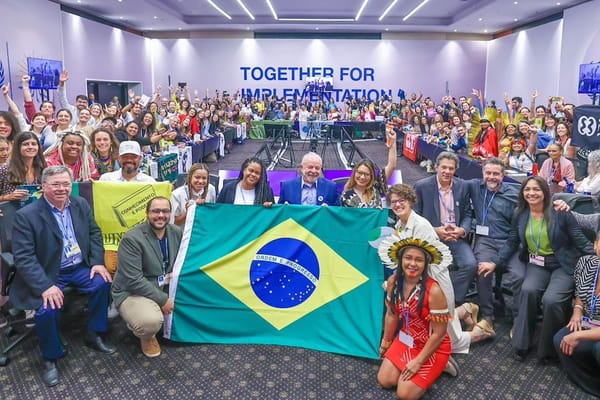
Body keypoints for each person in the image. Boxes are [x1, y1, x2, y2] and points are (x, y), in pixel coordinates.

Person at [11, 166, 115, 387]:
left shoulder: (80, 204)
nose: (61, 189)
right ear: (43, 187)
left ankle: (94, 333)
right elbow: (24, 258)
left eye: (66, 184)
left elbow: (95, 233)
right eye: (55, 184)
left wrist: (97, 262)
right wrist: (45, 286)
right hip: (49, 272)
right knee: (46, 309)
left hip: (78, 267)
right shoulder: (26, 216)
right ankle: (51, 357)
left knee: (102, 282)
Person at [480, 176, 594, 361]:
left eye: (536, 189)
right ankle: (521, 344)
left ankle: (548, 349)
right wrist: (494, 262)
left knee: (551, 300)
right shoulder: (520, 213)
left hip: (562, 265)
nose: (531, 193)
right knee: (528, 290)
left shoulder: (560, 212)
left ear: (545, 192)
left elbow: (579, 239)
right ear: (522, 193)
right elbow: (512, 242)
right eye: (527, 189)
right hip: (536, 264)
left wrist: (596, 257)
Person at [376, 231, 452, 400]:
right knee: (385, 380)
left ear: (426, 264)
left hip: (433, 345)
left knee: (405, 394)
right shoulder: (393, 282)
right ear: (400, 260)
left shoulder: (434, 291)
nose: (412, 264)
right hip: (406, 339)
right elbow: (391, 314)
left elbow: (439, 334)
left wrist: (417, 362)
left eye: (419, 260)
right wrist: (386, 342)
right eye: (408, 258)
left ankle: (443, 363)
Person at [111, 197, 182, 358]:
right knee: (149, 322)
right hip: (132, 290)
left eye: (165, 211)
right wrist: (163, 300)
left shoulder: (175, 232)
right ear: (147, 213)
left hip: (164, 283)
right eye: (156, 211)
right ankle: (147, 336)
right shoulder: (132, 239)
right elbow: (134, 280)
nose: (161, 215)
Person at [469, 158, 525, 336]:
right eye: (488, 173)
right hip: (486, 240)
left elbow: (540, 198)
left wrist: (557, 203)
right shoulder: (474, 187)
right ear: (482, 173)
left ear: (503, 175)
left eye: (496, 174)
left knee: (519, 275)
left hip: (509, 242)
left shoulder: (515, 194)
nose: (491, 177)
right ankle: (487, 315)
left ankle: (518, 317)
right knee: (483, 270)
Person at [413, 151, 477, 306]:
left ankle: (451, 300)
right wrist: (434, 230)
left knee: (470, 265)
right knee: (428, 267)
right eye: (444, 168)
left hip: (456, 237)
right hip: (431, 237)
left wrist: (462, 230)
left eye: (451, 169)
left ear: (455, 170)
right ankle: (437, 296)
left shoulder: (462, 186)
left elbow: (468, 213)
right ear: (436, 167)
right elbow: (414, 217)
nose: (447, 172)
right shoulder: (422, 186)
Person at [553, 231, 600, 397]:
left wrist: (579, 336)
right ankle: (591, 384)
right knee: (560, 339)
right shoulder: (586, 263)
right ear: (595, 244)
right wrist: (577, 311)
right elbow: (581, 293)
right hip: (590, 321)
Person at [340, 128, 397, 208]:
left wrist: (393, 143)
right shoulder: (346, 195)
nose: (362, 177)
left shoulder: (376, 185)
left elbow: (392, 165)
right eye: (360, 173)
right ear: (354, 173)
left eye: (366, 174)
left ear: (371, 176)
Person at [0, 132, 47, 202]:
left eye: (34, 144)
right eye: (26, 144)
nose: (30, 147)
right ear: (18, 147)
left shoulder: (43, 169)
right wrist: (7, 197)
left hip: (37, 211)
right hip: (12, 211)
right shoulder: (5, 169)